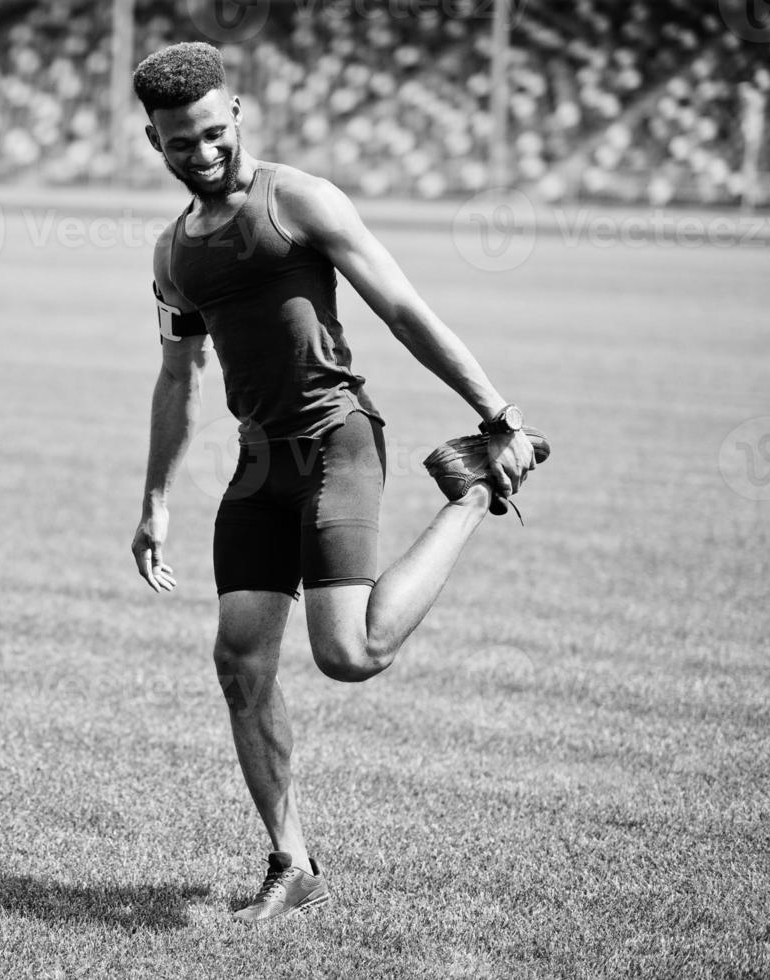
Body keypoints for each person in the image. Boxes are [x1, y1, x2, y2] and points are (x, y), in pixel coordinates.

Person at [127, 42, 549, 923]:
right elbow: (179, 377)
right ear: (152, 140)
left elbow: (400, 308)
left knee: (347, 654)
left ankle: (469, 493)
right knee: (239, 664)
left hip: (335, 442)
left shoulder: (300, 199)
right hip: (257, 463)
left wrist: (497, 415)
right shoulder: (172, 255)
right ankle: (291, 860)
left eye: (212, 133)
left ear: (236, 109)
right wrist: (156, 499)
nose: (201, 154)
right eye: (178, 144)